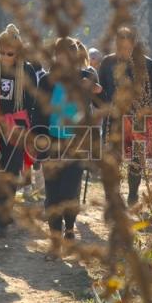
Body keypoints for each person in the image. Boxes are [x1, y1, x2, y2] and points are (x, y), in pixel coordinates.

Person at [36, 38, 99, 260]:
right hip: (52, 143)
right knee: (52, 194)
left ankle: (70, 229)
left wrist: (95, 91)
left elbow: (102, 105)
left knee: (68, 192)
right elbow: (38, 114)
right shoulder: (46, 81)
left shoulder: (85, 78)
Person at [0, 24, 40, 236]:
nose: (5, 56)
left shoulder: (26, 70)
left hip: (17, 127)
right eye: (1, 52)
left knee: (11, 172)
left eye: (10, 53)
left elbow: (32, 104)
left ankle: (2, 219)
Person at [97, 27, 152, 206]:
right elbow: (100, 93)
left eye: (128, 47)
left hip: (138, 120)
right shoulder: (107, 63)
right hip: (114, 120)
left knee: (136, 160)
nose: (124, 52)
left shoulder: (146, 64)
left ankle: (133, 194)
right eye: (121, 47)